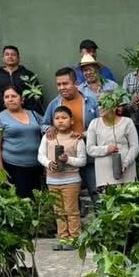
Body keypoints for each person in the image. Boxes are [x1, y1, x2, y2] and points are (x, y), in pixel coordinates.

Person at [42, 68, 100, 206]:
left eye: (65, 83)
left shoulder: (91, 102)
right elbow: (43, 124)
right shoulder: (55, 104)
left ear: (76, 83)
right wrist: (48, 128)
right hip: (62, 160)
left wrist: (84, 134)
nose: (62, 87)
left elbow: (99, 126)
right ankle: (76, 226)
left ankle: (102, 224)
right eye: (59, 84)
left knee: (96, 191)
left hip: (88, 155)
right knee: (70, 199)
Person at [38, 106, 86, 249]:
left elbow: (82, 161)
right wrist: (48, 163)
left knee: (71, 210)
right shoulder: (48, 137)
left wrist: (68, 160)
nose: (60, 121)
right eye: (57, 118)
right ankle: (63, 238)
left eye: (64, 118)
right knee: (58, 211)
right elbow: (40, 155)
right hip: (52, 180)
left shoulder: (76, 139)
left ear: (71, 121)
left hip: (71, 180)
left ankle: (74, 238)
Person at [0, 86, 45, 199]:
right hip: (14, 168)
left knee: (38, 202)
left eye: (14, 96)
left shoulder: (34, 114)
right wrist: (0, 171)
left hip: (36, 166)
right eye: (7, 97)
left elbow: (47, 128)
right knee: (21, 202)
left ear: (22, 99)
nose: (10, 99)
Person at [86, 96, 138, 188]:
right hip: (104, 177)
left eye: (105, 104)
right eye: (99, 104)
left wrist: (125, 163)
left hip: (127, 173)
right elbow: (90, 149)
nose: (100, 107)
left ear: (114, 107)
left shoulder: (127, 122)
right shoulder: (94, 123)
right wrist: (106, 149)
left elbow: (135, 147)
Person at [0, 45, 43, 114]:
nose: (10, 57)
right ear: (3, 58)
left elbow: (37, 95)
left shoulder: (28, 74)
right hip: (4, 113)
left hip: (26, 112)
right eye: (7, 54)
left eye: (13, 54)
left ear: (18, 58)